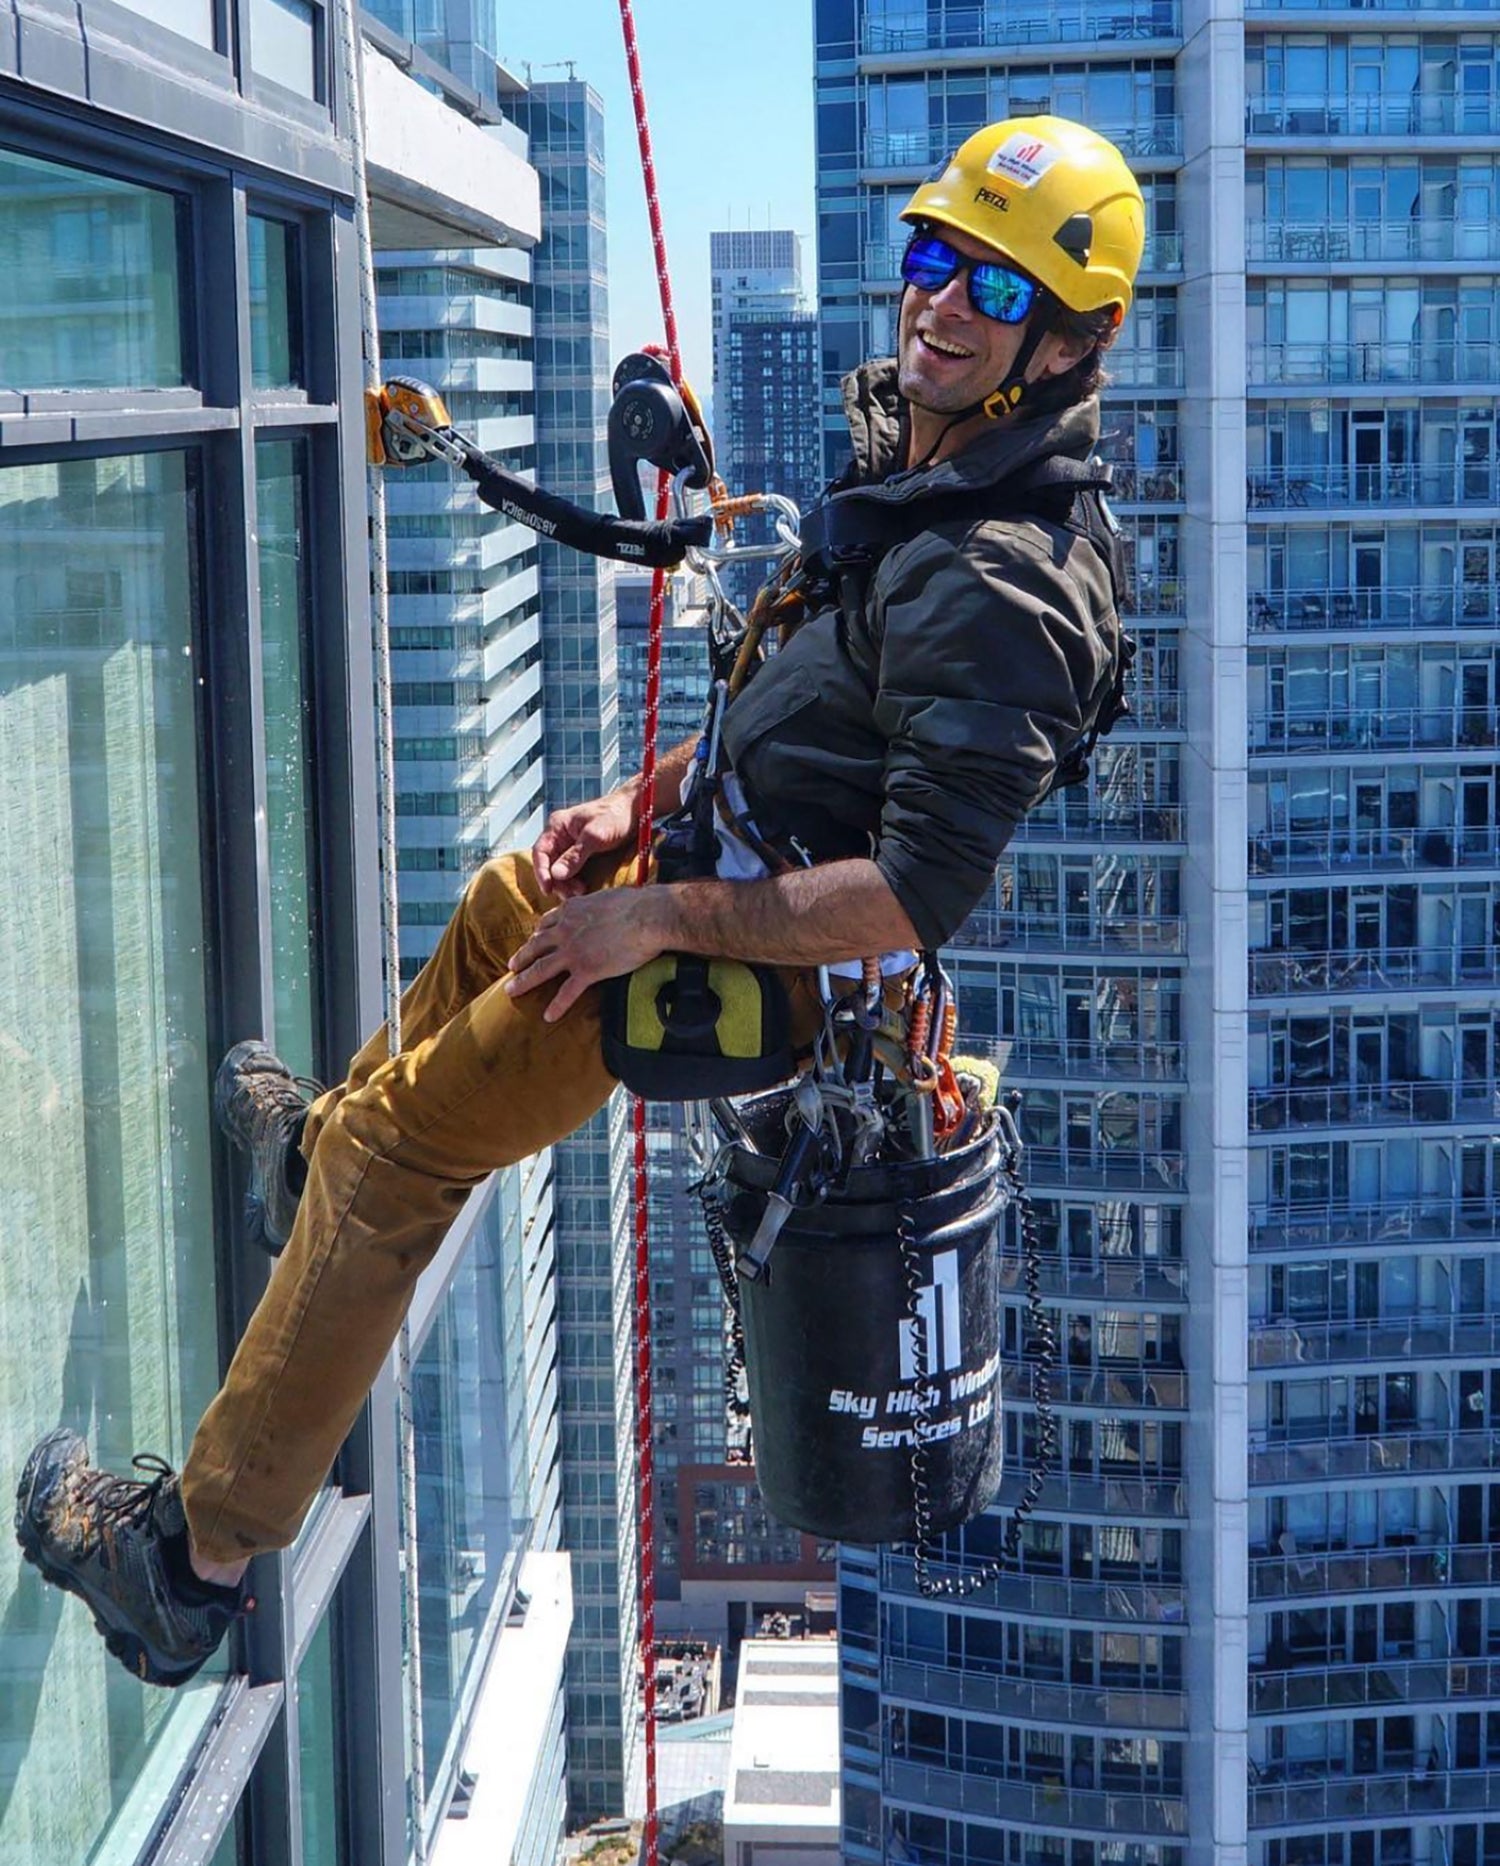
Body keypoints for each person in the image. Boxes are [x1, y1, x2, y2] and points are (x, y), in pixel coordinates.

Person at [16, 115, 1144, 1685]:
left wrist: (660, 917)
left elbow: (907, 892)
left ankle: (183, 1562)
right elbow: (815, 709)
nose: (938, 304)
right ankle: (310, 1164)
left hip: (750, 956)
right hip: (717, 855)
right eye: (932, 257)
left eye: (992, 288)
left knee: (408, 1148)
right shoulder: (939, 470)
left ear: (1074, 336)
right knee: (499, 900)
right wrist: (646, 802)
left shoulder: (1004, 580)